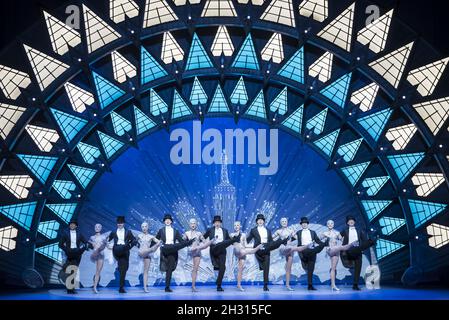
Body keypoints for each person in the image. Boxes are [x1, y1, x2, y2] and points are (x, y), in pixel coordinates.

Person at [246, 214, 288, 292]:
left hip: (267, 248)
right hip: (259, 249)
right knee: (275, 243)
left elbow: (271, 242)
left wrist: (272, 244)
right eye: (259, 220)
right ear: (257, 222)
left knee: (266, 268)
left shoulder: (268, 230)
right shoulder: (253, 230)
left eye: (262, 220)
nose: (260, 221)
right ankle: (282, 241)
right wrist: (240, 242)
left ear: (264, 221)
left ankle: (265, 285)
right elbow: (247, 240)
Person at [156, 214, 194, 292]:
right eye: (166, 219)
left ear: (171, 221)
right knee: (175, 246)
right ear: (164, 221)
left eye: (169, 219)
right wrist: (155, 245)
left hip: (173, 250)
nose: (167, 221)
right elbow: (155, 239)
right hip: (165, 249)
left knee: (169, 270)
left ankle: (167, 287)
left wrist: (185, 241)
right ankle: (190, 242)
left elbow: (181, 242)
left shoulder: (175, 231)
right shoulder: (161, 230)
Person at [273, 217, 312, 291]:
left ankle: (288, 285)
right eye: (282, 221)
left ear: (287, 222)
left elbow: (298, 238)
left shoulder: (291, 231)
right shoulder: (278, 231)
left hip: (290, 249)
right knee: (291, 248)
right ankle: (306, 247)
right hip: (283, 248)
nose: (284, 222)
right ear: (280, 223)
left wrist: (305, 236)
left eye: (285, 221)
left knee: (289, 268)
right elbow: (271, 238)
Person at [339, 215, 376, 291]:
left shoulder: (359, 230)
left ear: (354, 222)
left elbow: (364, 240)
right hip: (348, 250)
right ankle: (371, 241)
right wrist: (339, 238)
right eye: (349, 220)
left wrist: (365, 245)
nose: (351, 221)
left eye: (352, 220)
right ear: (347, 223)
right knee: (369, 242)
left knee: (358, 268)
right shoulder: (345, 230)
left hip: (358, 250)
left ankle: (355, 285)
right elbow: (338, 236)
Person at [204, 215, 240, 292]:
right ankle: (235, 239)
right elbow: (203, 237)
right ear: (214, 223)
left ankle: (219, 284)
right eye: (216, 222)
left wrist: (234, 242)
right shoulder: (210, 230)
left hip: (222, 250)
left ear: (220, 223)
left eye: (218, 222)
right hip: (214, 248)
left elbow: (228, 241)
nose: (217, 223)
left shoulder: (225, 230)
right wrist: (202, 242)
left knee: (223, 267)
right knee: (221, 243)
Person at [321, 220, 358, 291]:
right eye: (328, 223)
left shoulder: (337, 233)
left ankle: (333, 285)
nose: (330, 224)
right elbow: (318, 240)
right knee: (341, 247)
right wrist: (325, 246)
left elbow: (343, 241)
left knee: (333, 268)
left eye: (331, 223)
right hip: (330, 250)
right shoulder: (324, 233)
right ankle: (352, 244)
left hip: (336, 251)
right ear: (327, 225)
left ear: (333, 224)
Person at [230, 221, 263, 291]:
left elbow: (245, 245)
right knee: (242, 249)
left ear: (240, 226)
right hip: (237, 251)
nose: (236, 226)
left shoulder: (244, 235)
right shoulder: (232, 234)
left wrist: (252, 246)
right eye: (235, 225)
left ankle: (239, 284)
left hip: (243, 252)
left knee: (240, 269)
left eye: (237, 225)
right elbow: (230, 243)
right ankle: (256, 248)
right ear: (234, 227)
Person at [295, 217, 326, 291]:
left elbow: (318, 240)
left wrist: (323, 244)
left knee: (311, 269)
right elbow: (292, 239)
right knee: (311, 251)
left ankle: (310, 285)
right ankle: (315, 250)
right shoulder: (298, 232)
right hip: (303, 250)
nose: (304, 224)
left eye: (305, 223)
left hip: (312, 251)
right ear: (301, 225)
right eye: (303, 223)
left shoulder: (313, 232)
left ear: (307, 224)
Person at [108, 216, 137, 293]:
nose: (119, 224)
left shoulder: (128, 232)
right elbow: (108, 239)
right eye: (118, 223)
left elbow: (134, 240)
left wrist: (129, 246)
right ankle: (121, 287)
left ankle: (121, 285)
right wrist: (108, 245)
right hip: (117, 250)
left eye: (121, 223)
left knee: (124, 268)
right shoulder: (114, 231)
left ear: (123, 223)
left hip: (125, 250)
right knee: (122, 268)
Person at [58, 219, 89, 294]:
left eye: (73, 224)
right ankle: (69, 289)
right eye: (71, 224)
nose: (72, 225)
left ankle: (71, 289)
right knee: (69, 270)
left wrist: (85, 247)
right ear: (69, 225)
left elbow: (86, 242)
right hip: (69, 253)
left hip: (77, 253)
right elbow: (60, 244)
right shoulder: (65, 233)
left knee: (74, 271)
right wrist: (66, 250)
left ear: (76, 226)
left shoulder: (79, 234)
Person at [183, 218, 214, 292]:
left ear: (196, 225)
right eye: (191, 223)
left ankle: (193, 286)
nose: (193, 225)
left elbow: (204, 241)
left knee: (195, 269)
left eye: (194, 223)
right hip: (190, 251)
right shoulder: (186, 233)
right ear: (189, 225)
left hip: (197, 252)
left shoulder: (199, 233)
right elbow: (182, 241)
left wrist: (206, 242)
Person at [138, 221, 161, 293]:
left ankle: (145, 287)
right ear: (141, 228)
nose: (144, 228)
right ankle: (151, 250)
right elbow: (133, 242)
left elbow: (159, 242)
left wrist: (159, 243)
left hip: (147, 254)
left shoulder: (151, 236)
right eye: (143, 227)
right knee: (151, 249)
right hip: (141, 253)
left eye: (145, 226)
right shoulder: (139, 236)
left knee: (146, 272)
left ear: (148, 227)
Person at [88, 223, 109, 294]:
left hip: (101, 255)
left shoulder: (103, 237)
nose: (97, 228)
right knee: (96, 271)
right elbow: (89, 245)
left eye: (99, 227)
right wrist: (92, 244)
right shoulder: (92, 237)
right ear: (94, 228)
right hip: (94, 255)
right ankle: (94, 287)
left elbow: (106, 245)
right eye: (96, 227)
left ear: (101, 228)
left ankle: (95, 286)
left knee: (98, 271)